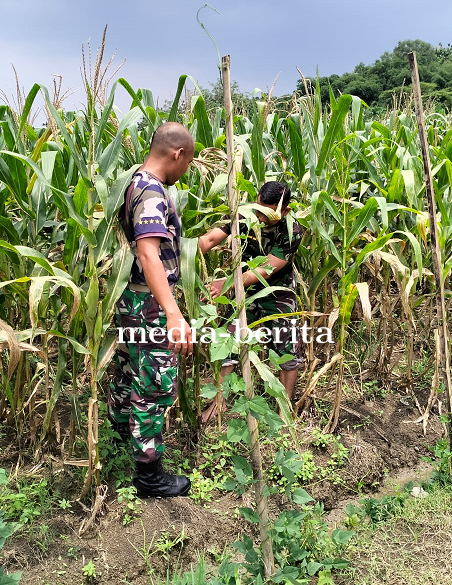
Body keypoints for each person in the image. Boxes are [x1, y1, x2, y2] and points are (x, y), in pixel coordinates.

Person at [109, 122, 195, 498]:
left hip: (133, 300)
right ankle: (149, 476)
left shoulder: (133, 183)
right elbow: (148, 253)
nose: (185, 171)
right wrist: (173, 313)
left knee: (128, 373)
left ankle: (116, 444)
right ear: (178, 154)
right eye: (187, 163)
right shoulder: (151, 192)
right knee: (154, 385)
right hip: (149, 305)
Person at [197, 181, 305, 417]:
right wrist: (183, 252)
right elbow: (211, 239)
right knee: (229, 343)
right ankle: (218, 403)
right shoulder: (243, 214)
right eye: (258, 209)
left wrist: (226, 284)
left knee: (286, 347)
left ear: (285, 211)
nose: (260, 217)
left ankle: (284, 410)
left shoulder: (291, 229)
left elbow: (267, 268)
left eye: (268, 213)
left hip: (278, 292)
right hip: (244, 290)